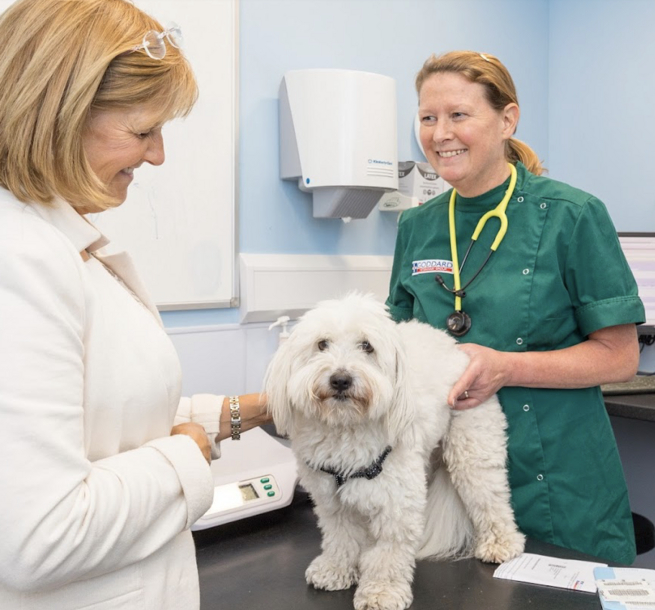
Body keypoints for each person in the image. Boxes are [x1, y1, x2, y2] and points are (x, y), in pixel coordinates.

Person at [0, 1, 270, 608]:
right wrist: (189, 454)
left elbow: (99, 415)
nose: (157, 156)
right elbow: (38, 536)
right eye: (143, 131)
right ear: (58, 117)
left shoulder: (60, 243)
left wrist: (246, 411)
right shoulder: (18, 261)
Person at [387, 50, 644, 564]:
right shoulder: (416, 228)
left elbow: (620, 357)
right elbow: (395, 349)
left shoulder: (573, 215)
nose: (440, 134)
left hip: (561, 480)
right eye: (427, 118)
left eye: (459, 115)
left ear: (507, 119)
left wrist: (506, 366)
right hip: (451, 484)